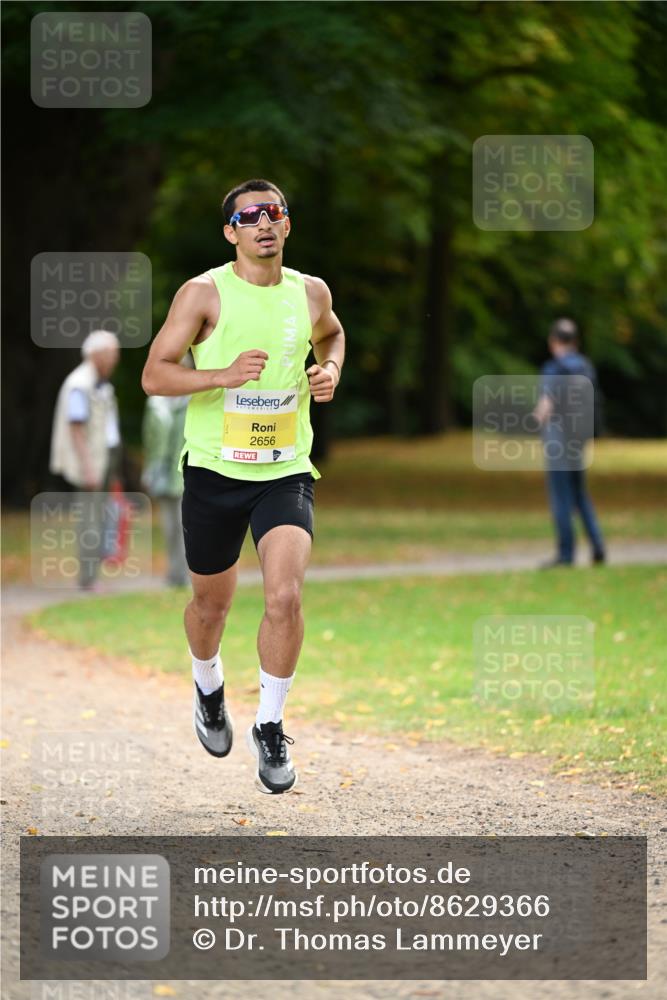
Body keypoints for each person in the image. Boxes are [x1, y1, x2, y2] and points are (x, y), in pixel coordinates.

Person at [141, 178, 345, 794]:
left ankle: (271, 724)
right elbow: (154, 375)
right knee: (212, 605)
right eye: (249, 216)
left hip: (284, 470)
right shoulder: (204, 294)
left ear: (287, 225)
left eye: (274, 213)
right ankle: (208, 686)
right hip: (213, 471)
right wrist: (222, 375)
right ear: (231, 231)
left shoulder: (310, 293)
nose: (263, 223)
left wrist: (330, 367)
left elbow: (332, 334)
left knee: (284, 596)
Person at [49, 330, 122, 590]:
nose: (116, 359)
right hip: (91, 464)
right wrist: (89, 467)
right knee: (90, 519)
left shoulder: (100, 383)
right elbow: (76, 428)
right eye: (113, 354)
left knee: (101, 516)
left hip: (104, 460)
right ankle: (88, 579)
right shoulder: (80, 384)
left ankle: (93, 575)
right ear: (97, 354)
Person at [533, 318, 606, 568]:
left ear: (553, 341)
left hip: (558, 439)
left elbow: (546, 404)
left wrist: (535, 421)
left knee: (561, 496)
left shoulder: (554, 368)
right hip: (579, 437)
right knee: (579, 493)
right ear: (575, 341)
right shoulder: (586, 367)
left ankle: (566, 555)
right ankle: (597, 546)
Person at [141, 356, 192, 588]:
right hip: (162, 473)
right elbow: (149, 438)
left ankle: (190, 576)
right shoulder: (156, 403)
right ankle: (174, 573)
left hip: (187, 473)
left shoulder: (194, 401)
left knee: (186, 527)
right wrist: (149, 469)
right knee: (170, 528)